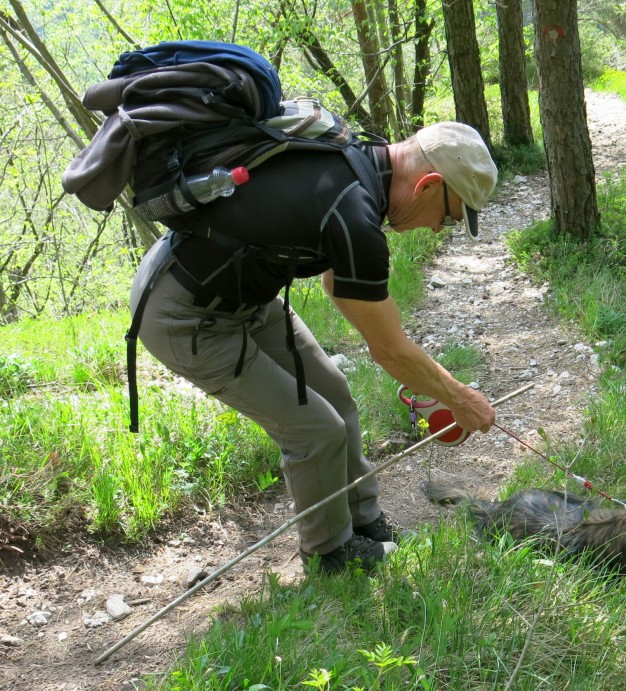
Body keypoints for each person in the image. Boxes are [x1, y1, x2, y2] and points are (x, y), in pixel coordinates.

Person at [129, 121, 498, 573]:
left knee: (336, 394)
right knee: (314, 428)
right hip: (185, 315)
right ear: (429, 184)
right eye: (450, 215)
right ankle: (329, 554)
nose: (440, 229)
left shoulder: (359, 162)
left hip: (248, 298)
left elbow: (337, 285)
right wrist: (459, 399)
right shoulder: (356, 214)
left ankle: (364, 524)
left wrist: (428, 377)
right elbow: (390, 351)